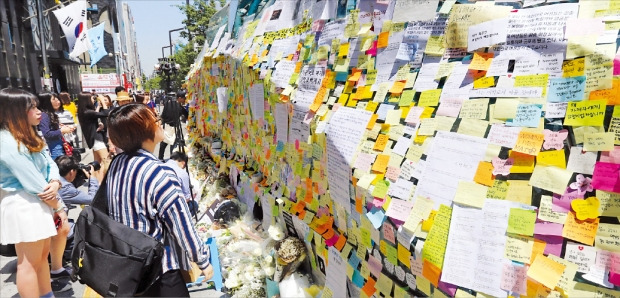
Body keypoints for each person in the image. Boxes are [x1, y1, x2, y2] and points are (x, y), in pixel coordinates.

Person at [106, 104, 213, 296]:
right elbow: (181, 224)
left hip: (128, 264)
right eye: (155, 120)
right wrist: (203, 260)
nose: (160, 123)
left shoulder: (117, 163)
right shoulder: (159, 173)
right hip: (158, 269)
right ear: (144, 130)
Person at [0, 87, 68, 297]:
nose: (39, 112)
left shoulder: (27, 135)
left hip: (38, 203)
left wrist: (56, 181)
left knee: (41, 257)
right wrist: (60, 206)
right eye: (33, 108)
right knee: (28, 263)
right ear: (15, 112)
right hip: (24, 205)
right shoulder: (8, 142)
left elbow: (50, 162)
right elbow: (34, 183)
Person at [38, 92, 76, 160]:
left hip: (58, 147)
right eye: (54, 99)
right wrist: (61, 130)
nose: (58, 101)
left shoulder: (50, 114)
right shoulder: (44, 115)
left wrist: (61, 127)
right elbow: (46, 134)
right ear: (46, 102)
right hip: (53, 150)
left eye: (57, 99)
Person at [77, 92, 109, 163]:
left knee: (97, 163)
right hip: (96, 139)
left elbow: (95, 116)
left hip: (94, 138)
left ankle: (95, 174)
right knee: (107, 161)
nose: (93, 99)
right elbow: (106, 113)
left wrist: (98, 106)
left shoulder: (84, 111)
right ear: (87, 100)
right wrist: (103, 101)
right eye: (91, 98)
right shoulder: (87, 112)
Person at [165, 151, 198, 215]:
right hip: (171, 208)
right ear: (183, 163)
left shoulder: (160, 165)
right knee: (194, 205)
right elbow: (186, 198)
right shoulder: (182, 173)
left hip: (156, 203)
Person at [158, 91, 189, 160]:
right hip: (173, 127)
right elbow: (187, 115)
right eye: (184, 98)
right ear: (180, 98)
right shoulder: (179, 107)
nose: (185, 100)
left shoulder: (167, 104)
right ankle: (172, 159)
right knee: (173, 144)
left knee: (164, 143)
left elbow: (163, 115)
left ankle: (160, 158)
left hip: (167, 126)